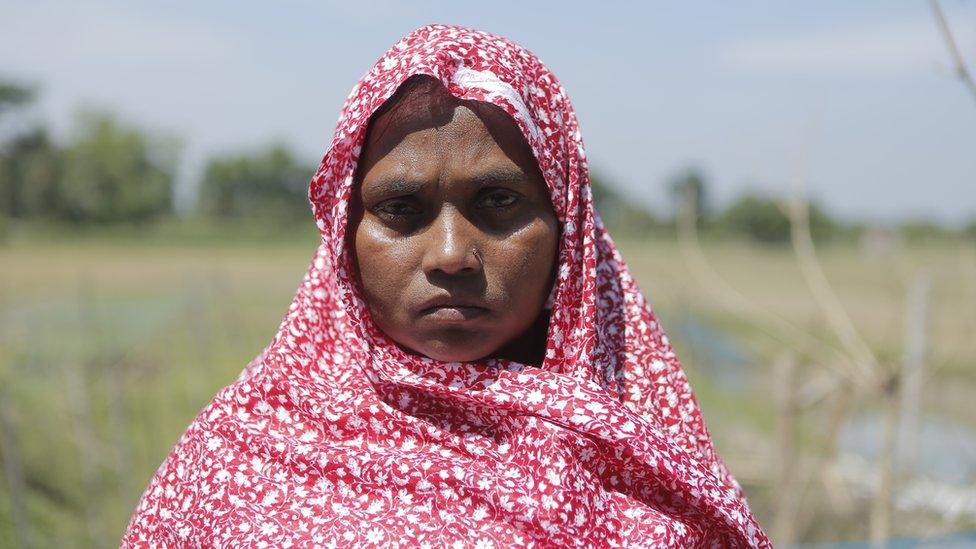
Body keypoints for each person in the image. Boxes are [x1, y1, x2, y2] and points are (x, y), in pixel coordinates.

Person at [123, 24, 770, 547]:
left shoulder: (648, 464)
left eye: (498, 200)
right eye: (401, 209)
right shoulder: (240, 459)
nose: (454, 253)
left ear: (566, 228)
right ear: (344, 240)